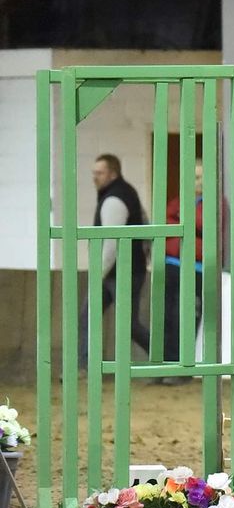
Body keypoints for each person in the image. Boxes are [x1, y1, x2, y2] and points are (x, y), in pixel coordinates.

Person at [80, 154, 151, 365]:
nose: (95, 177)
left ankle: (166, 358)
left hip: (119, 272)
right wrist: (144, 252)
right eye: (94, 173)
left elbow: (111, 243)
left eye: (99, 173)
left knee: (126, 324)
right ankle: (84, 365)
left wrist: (97, 274)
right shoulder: (126, 192)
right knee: (90, 317)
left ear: (113, 173)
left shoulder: (113, 199)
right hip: (126, 270)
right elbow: (146, 224)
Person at [160, 159, 222, 383]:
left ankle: (182, 369)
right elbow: (165, 220)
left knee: (183, 318)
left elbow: (206, 225)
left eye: (200, 177)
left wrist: (182, 222)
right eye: (193, 177)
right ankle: (165, 366)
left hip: (196, 270)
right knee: (166, 317)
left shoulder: (216, 203)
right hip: (172, 265)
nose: (196, 182)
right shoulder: (181, 201)